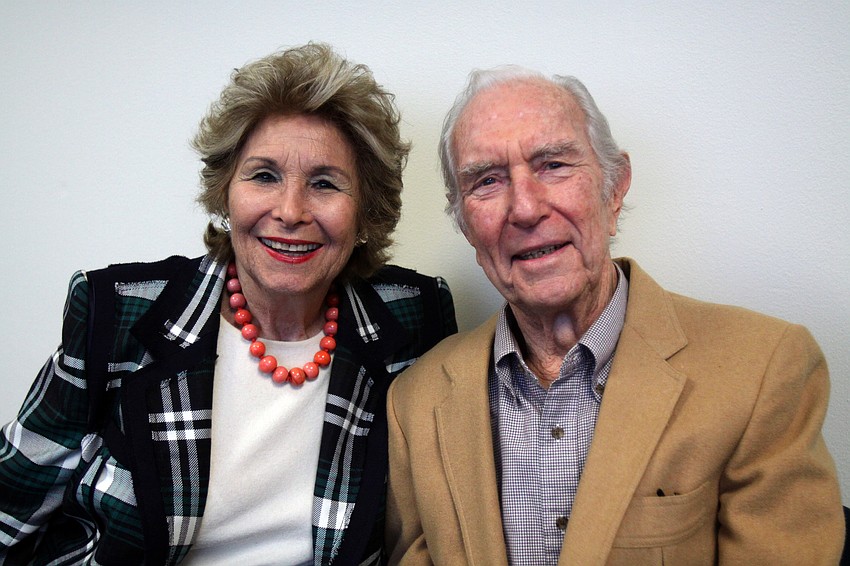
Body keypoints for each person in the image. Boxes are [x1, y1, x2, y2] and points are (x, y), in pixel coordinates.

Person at [0, 43, 457, 565]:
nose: (290, 211)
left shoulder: (415, 318)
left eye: (325, 183)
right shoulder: (119, 312)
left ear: (366, 213)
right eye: (264, 176)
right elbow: (10, 502)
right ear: (224, 192)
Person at [385, 66, 844, 565]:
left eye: (553, 165)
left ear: (615, 187)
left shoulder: (762, 368)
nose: (526, 208)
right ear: (466, 224)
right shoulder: (415, 401)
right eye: (487, 181)